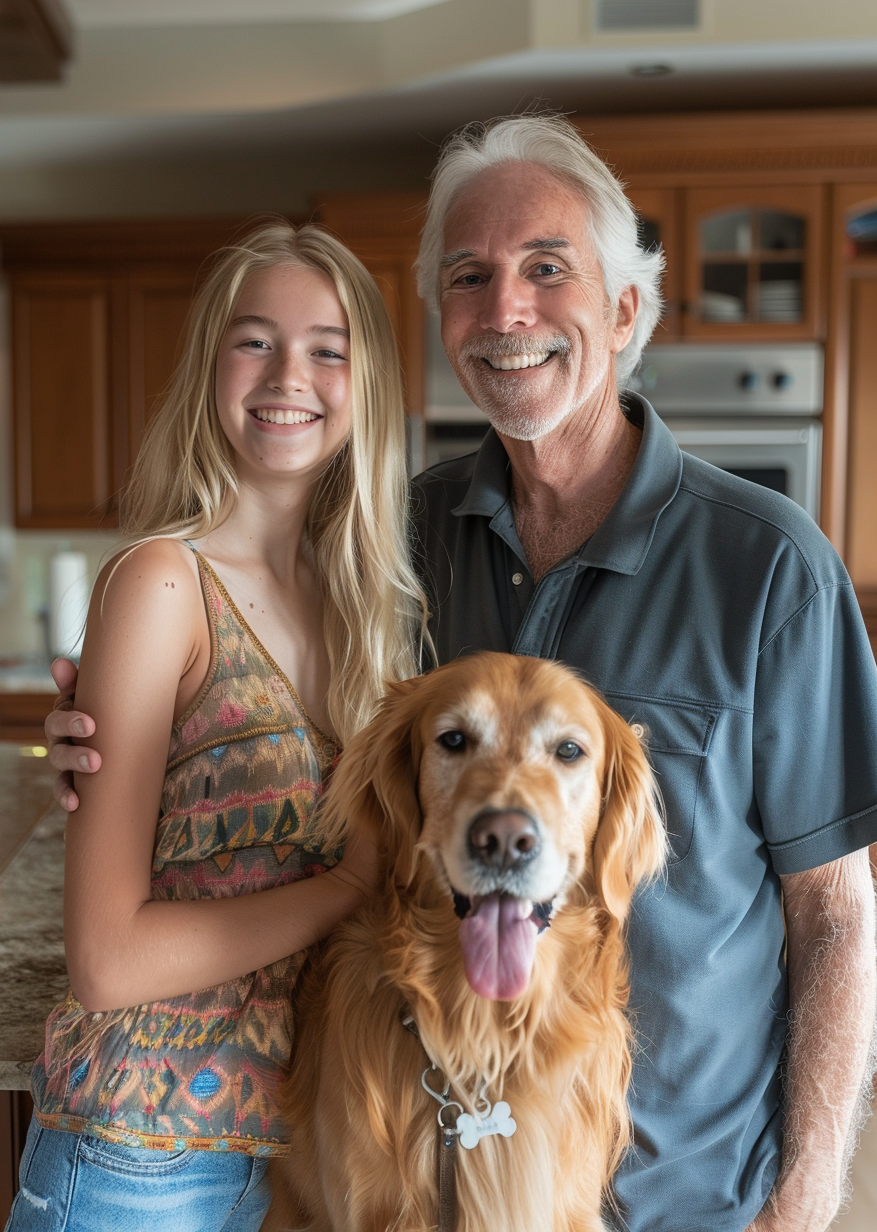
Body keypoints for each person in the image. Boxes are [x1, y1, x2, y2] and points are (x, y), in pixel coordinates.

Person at [45, 116, 877, 1232]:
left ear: (626, 309)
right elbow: (264, 707)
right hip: (422, 1184)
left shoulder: (773, 565)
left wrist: (809, 1192)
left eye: (547, 269)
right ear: (442, 322)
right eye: (470, 277)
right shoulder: (394, 544)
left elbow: (834, 913)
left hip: (683, 1195)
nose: (507, 310)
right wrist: (110, 726)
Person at [8, 219, 429, 1232]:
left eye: (328, 347)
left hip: (290, 1151)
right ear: (210, 366)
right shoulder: (163, 579)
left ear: (364, 382)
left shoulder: (359, 610)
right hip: (138, 1158)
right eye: (255, 339)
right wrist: (343, 888)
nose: (290, 373)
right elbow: (107, 959)